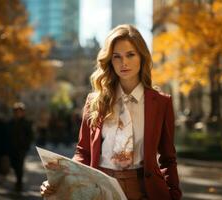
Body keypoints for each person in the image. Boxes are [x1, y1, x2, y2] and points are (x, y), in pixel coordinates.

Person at [40, 24, 182, 200]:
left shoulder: (161, 103)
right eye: (117, 57)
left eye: (130, 54)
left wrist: (174, 195)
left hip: (144, 190)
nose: (124, 63)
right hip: (101, 189)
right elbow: (83, 153)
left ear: (142, 57)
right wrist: (60, 182)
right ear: (109, 61)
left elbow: (168, 158)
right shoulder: (94, 101)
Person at [7, 102, 33, 191]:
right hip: (11, 148)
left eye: (20, 111)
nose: (18, 113)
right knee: (14, 165)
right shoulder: (10, 123)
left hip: (21, 148)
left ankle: (19, 182)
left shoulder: (26, 123)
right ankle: (18, 180)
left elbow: (30, 136)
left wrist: (26, 145)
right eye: (16, 111)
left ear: (23, 112)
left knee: (19, 165)